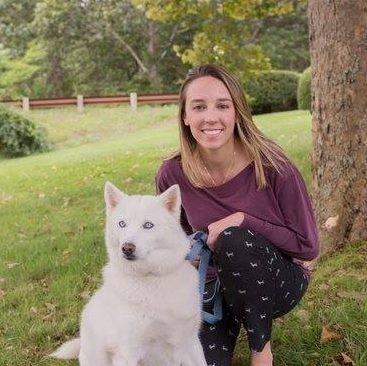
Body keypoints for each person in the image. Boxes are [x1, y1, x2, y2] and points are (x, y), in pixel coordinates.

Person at [155, 64, 319, 366]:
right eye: (199, 107)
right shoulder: (172, 174)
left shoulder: (273, 165)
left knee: (234, 239)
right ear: (185, 116)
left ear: (237, 111)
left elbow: (308, 247)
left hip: (278, 281)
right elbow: (174, 240)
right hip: (214, 287)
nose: (210, 117)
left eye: (222, 105)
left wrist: (243, 220)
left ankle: (261, 349)